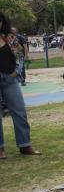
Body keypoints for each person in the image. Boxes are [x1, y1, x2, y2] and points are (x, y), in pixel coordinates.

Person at [0, 11, 41, 159]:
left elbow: (19, 55)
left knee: (19, 111)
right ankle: (0, 149)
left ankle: (25, 145)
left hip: (10, 79)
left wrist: (16, 72)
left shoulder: (9, 38)